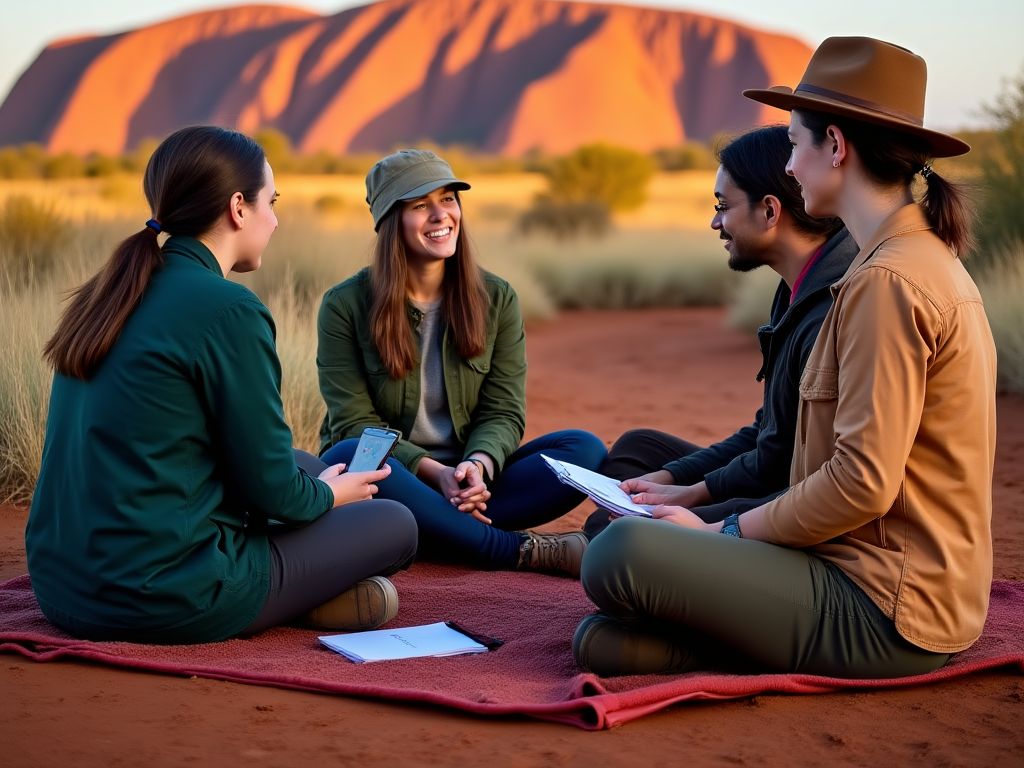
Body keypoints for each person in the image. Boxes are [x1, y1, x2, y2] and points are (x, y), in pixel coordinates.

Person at [574, 36, 997, 679]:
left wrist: (722, 536)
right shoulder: (902, 262)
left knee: (620, 553)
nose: (792, 167)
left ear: (836, 146)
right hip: (859, 574)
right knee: (600, 640)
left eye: (796, 144)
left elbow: (861, 483)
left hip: (884, 603)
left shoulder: (888, 281)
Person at [26, 126, 418, 644]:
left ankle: (312, 587)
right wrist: (326, 498)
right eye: (270, 201)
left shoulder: (110, 291)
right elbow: (272, 489)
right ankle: (302, 601)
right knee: (394, 523)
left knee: (307, 464)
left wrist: (315, 487)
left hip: (63, 588)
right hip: (164, 594)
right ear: (238, 207)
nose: (275, 219)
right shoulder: (230, 309)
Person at [317, 149, 607, 575]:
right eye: (420, 206)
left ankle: (438, 532)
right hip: (394, 481)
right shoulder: (345, 305)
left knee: (583, 450)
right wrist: (437, 474)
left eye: (448, 199)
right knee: (350, 450)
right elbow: (354, 421)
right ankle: (507, 549)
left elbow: (503, 412)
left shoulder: (497, 297)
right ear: (389, 221)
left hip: (474, 485)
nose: (440, 215)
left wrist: (476, 467)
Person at [583, 125, 858, 537]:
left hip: (792, 505)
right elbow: (768, 430)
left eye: (723, 206)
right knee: (637, 452)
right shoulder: (795, 289)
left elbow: (780, 464)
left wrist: (694, 495)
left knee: (627, 531)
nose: (715, 222)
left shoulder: (829, 310)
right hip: (773, 478)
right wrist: (675, 479)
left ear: (769, 211)